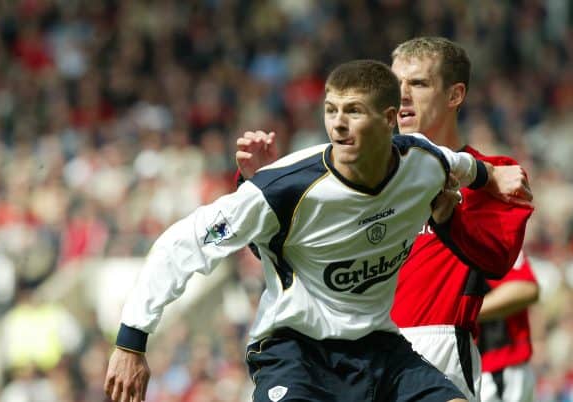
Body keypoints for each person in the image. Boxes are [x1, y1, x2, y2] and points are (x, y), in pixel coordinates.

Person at [103, 59, 515, 402]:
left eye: (353, 111)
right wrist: (130, 343)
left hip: (379, 348)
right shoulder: (285, 187)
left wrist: (491, 176)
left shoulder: (421, 162)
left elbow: (458, 165)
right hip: (296, 352)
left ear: (389, 119)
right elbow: (182, 245)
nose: (338, 124)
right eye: (331, 110)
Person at [235, 37, 535, 402]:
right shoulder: (352, 171)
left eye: (419, 84)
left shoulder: (493, 177)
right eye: (396, 85)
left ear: (455, 95)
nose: (403, 95)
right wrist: (266, 192)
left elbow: (499, 258)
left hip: (437, 350)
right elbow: (289, 255)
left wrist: (448, 219)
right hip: (349, 352)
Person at [477, 250, 539, 402]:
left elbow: (525, 288)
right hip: (469, 371)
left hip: (497, 370)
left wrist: (463, 312)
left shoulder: (488, 230)